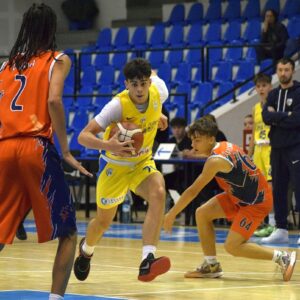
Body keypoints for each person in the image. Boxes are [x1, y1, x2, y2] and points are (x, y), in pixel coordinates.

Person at [0, 4, 92, 300]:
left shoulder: (5, 65)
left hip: (4, 146)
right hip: (35, 146)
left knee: (1, 229)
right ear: (51, 29)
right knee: (68, 232)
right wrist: (65, 150)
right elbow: (54, 101)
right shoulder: (58, 59)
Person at [73, 58, 171, 282]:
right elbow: (83, 136)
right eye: (134, 84)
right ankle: (86, 250)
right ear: (126, 84)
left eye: (143, 83)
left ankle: (147, 260)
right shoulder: (117, 106)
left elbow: (153, 72)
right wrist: (109, 145)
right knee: (103, 222)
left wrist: (158, 116)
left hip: (141, 163)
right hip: (114, 167)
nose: (139, 89)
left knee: (158, 192)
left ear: (149, 83)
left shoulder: (159, 90)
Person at [164, 117, 297, 281]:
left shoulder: (215, 161)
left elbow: (192, 191)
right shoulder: (223, 146)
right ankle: (211, 265)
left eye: (197, 141)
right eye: (192, 140)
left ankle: (282, 257)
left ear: (211, 139)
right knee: (202, 213)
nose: (193, 145)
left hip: (255, 202)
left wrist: (171, 214)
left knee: (232, 246)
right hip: (238, 195)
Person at [262, 57, 300, 245]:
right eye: (280, 70)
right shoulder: (273, 94)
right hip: (276, 148)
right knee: (278, 189)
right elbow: (266, 117)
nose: (283, 73)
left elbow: (297, 119)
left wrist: (277, 116)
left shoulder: (299, 91)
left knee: (299, 188)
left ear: (292, 71)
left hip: (295, 147)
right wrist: (286, 115)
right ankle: (281, 229)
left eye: (286, 69)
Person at [248, 73, 274, 237]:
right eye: (258, 86)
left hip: (271, 149)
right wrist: (248, 155)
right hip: (258, 149)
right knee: (259, 189)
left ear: (270, 86)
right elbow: (254, 131)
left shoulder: (275, 105)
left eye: (264, 85)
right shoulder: (255, 108)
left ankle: (273, 222)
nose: (261, 89)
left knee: (271, 187)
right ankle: (263, 222)